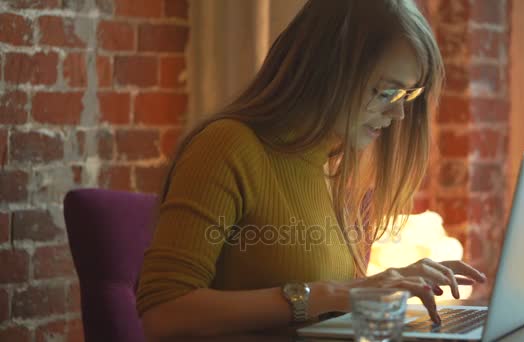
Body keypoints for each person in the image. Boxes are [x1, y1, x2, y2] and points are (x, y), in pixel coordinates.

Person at [136, 0, 487, 339]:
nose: (398, 116)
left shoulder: (334, 166)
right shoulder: (228, 146)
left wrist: (382, 290)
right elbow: (163, 313)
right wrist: (331, 293)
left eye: (406, 96)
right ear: (328, 69)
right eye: (387, 93)